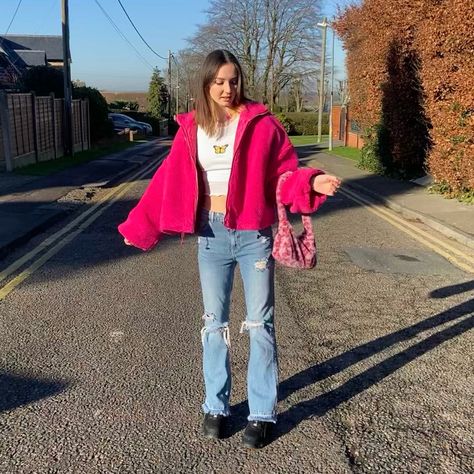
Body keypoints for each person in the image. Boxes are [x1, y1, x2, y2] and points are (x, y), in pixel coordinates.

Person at [118, 49, 340, 449]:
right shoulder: (191, 130)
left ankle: (261, 412)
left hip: (253, 233)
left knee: (260, 325)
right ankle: (215, 406)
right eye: (218, 81)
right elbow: (166, 182)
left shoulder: (263, 125)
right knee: (213, 324)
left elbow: (286, 172)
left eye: (233, 80)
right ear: (205, 84)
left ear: (241, 81)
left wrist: (311, 182)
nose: (226, 88)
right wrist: (139, 226)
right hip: (210, 234)